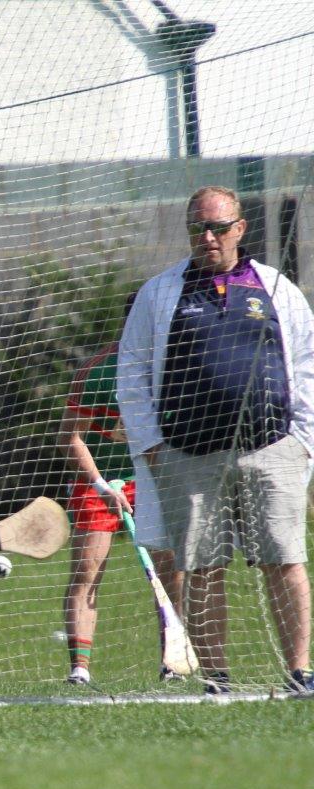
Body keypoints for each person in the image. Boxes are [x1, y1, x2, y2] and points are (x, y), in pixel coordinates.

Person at [118, 185, 314, 695]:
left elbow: (308, 366)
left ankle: (300, 672)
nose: (208, 237)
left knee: (285, 560)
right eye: (198, 228)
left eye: (219, 227)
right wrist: (153, 447)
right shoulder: (161, 293)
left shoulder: (275, 289)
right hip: (188, 455)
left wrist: (303, 442)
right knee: (202, 568)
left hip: (271, 449)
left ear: (240, 229)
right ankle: (217, 680)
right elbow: (132, 371)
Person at [60, 299, 181, 685]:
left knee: (170, 568)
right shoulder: (96, 372)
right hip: (98, 479)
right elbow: (69, 436)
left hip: (153, 477)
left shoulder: (176, 367)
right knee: (88, 569)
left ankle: (174, 662)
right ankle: (80, 670)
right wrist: (100, 484)